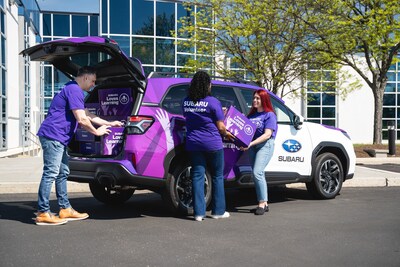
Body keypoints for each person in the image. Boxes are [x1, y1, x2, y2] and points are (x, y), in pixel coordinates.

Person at [35, 66, 123, 226]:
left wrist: (108, 122)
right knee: (51, 173)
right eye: (93, 81)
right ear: (85, 78)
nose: (93, 85)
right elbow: (82, 119)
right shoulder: (74, 89)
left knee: (63, 173)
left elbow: (87, 114)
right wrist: (97, 132)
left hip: (58, 137)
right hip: (53, 135)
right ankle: (43, 212)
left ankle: (65, 209)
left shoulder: (72, 88)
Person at [182, 71, 235, 221]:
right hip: (212, 143)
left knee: (197, 176)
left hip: (193, 143)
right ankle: (218, 211)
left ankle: (198, 213)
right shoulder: (213, 102)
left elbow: (189, 117)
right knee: (218, 176)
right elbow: (221, 127)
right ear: (208, 85)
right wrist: (228, 134)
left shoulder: (186, 101)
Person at [240, 89, 277, 215]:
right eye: (254, 98)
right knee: (259, 174)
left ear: (264, 100)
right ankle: (265, 203)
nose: (255, 100)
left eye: (258, 98)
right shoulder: (251, 116)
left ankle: (261, 203)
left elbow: (267, 135)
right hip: (253, 146)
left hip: (265, 145)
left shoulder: (269, 115)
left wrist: (250, 144)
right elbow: (243, 131)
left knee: (257, 172)